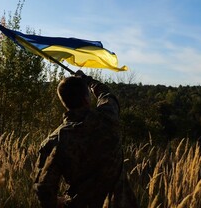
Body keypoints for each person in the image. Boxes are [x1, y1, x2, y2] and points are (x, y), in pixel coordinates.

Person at [33, 70, 137, 207]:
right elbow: (107, 94)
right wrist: (87, 80)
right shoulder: (108, 117)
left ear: (64, 102)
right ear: (86, 99)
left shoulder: (54, 141)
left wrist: (59, 202)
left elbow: (43, 188)